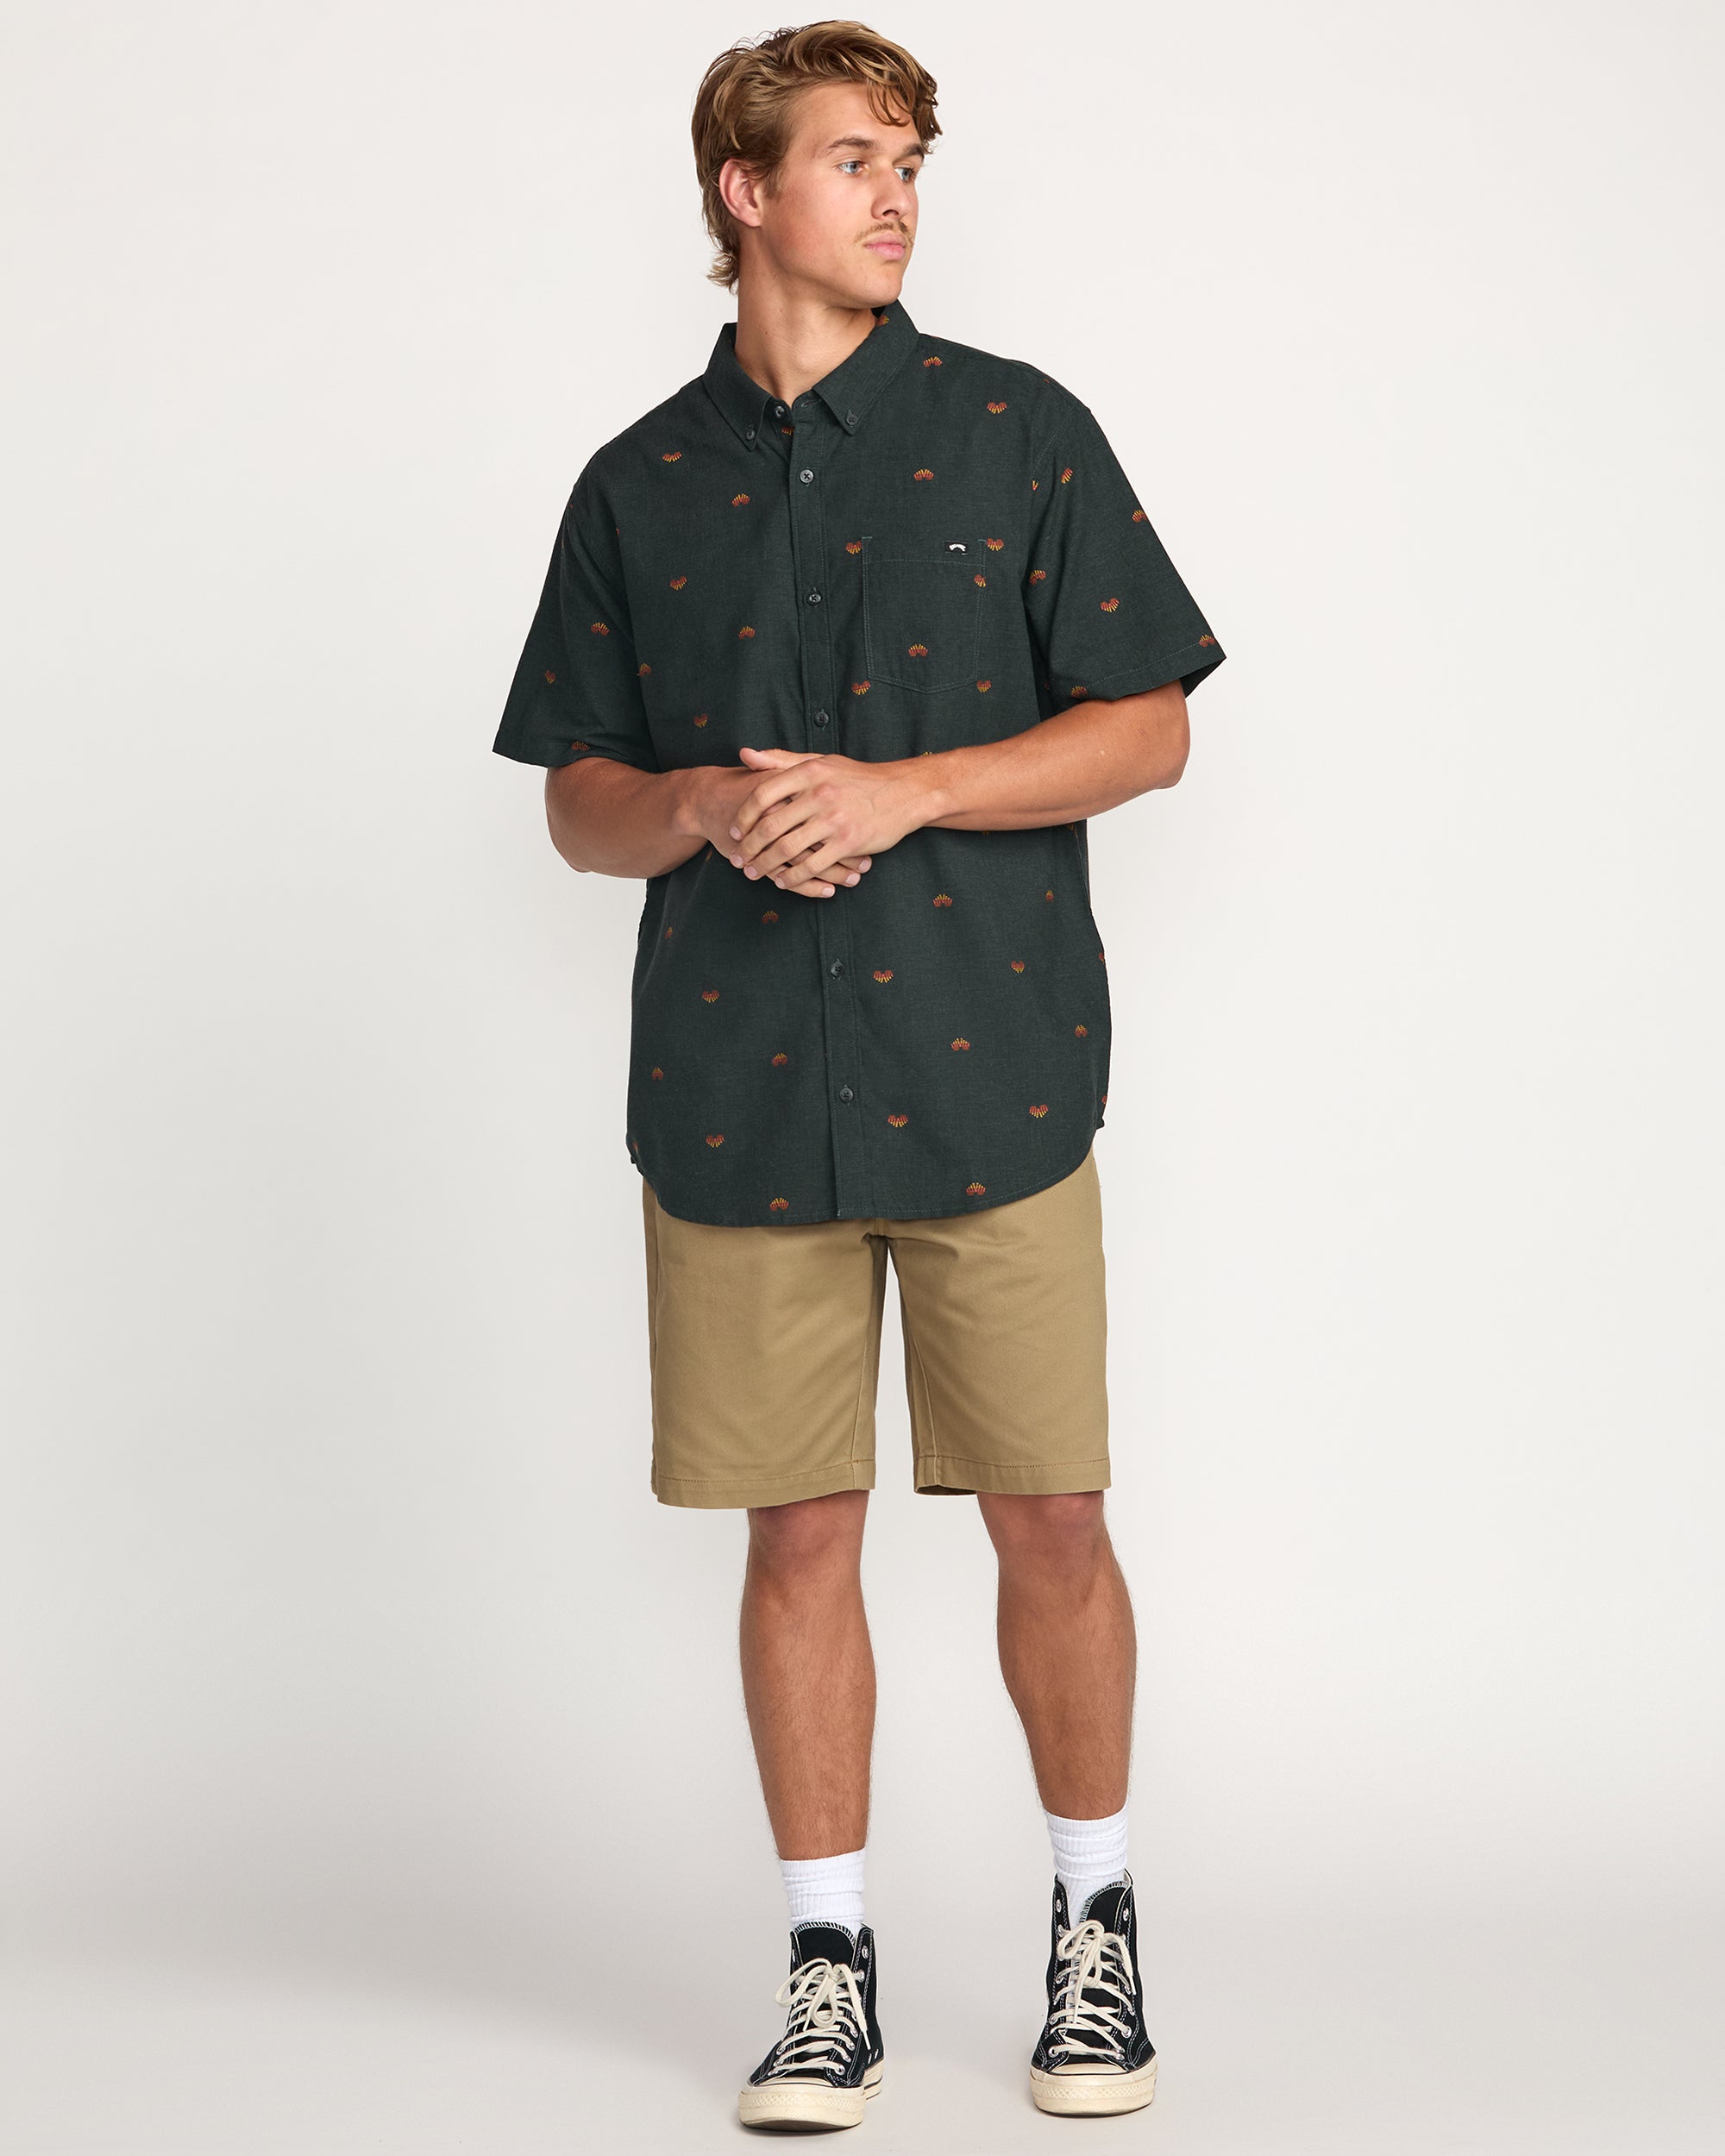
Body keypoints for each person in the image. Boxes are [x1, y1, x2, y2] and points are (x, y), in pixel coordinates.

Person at [492, 19, 1226, 2130]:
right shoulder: (638, 482)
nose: (896, 196)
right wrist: (703, 806)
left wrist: (905, 789)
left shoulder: (1016, 431)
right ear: (743, 193)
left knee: (1052, 1512)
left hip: (996, 1071)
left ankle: (1096, 1927)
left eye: (909, 160)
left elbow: (1151, 725)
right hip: (739, 1090)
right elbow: (578, 799)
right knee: (795, 1536)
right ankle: (829, 1969)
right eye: (850, 159)